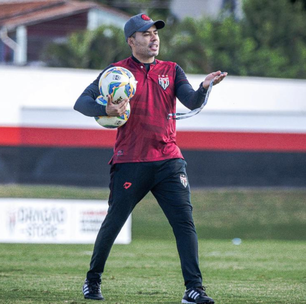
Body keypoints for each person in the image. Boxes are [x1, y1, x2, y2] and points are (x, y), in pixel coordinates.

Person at [74, 13, 227, 304]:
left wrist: (205, 86)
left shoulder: (172, 70)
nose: (153, 37)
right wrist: (105, 110)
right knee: (114, 223)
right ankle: (92, 281)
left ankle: (193, 290)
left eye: (155, 32)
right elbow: (80, 102)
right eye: (145, 33)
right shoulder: (116, 72)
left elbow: (191, 101)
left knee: (184, 223)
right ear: (131, 40)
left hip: (169, 159)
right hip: (130, 160)